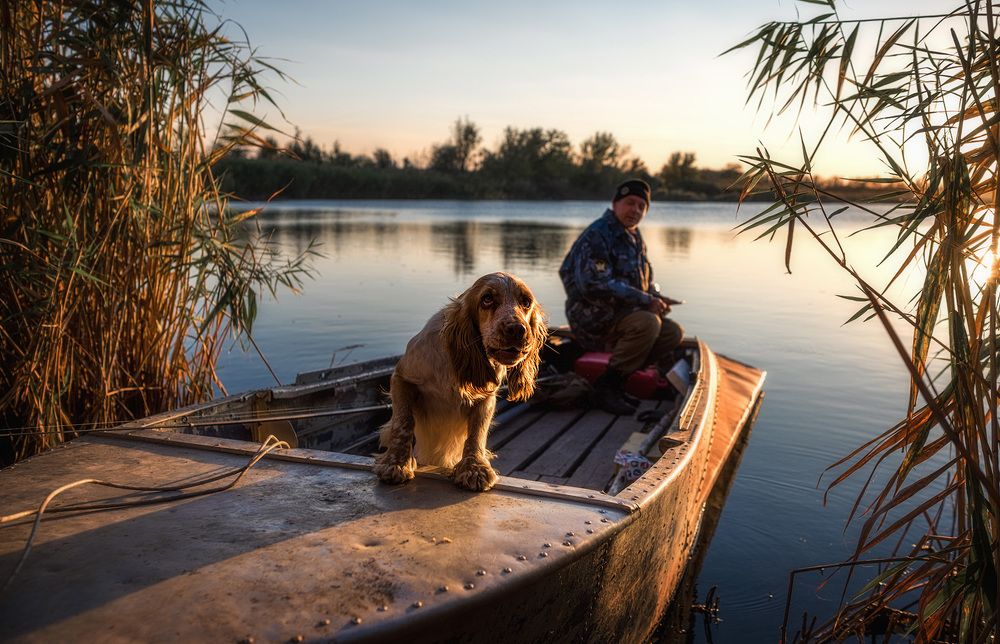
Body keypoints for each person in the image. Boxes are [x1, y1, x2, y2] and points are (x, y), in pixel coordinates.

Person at [558, 178, 684, 416]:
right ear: (615, 204)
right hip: (592, 318)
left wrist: (656, 298)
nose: (635, 210)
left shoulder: (634, 237)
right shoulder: (598, 234)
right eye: (630, 203)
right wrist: (646, 301)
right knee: (648, 323)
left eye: (641, 206)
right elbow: (594, 284)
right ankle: (607, 388)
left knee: (673, 332)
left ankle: (616, 381)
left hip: (622, 317)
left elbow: (643, 282)